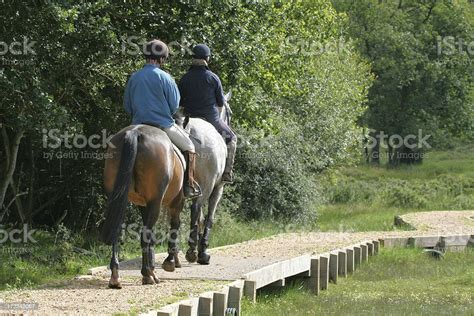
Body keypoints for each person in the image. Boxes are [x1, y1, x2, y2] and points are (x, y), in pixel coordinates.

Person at [123, 39, 202, 198]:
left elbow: (127, 106)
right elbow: (174, 106)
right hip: (162, 125)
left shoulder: (134, 77)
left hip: (137, 124)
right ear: (162, 58)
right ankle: (188, 185)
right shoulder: (166, 78)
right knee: (190, 146)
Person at [178, 44, 237, 183]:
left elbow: (179, 102)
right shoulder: (213, 78)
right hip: (211, 119)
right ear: (207, 58)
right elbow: (221, 104)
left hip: (188, 120)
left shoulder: (185, 78)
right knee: (232, 138)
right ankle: (227, 172)